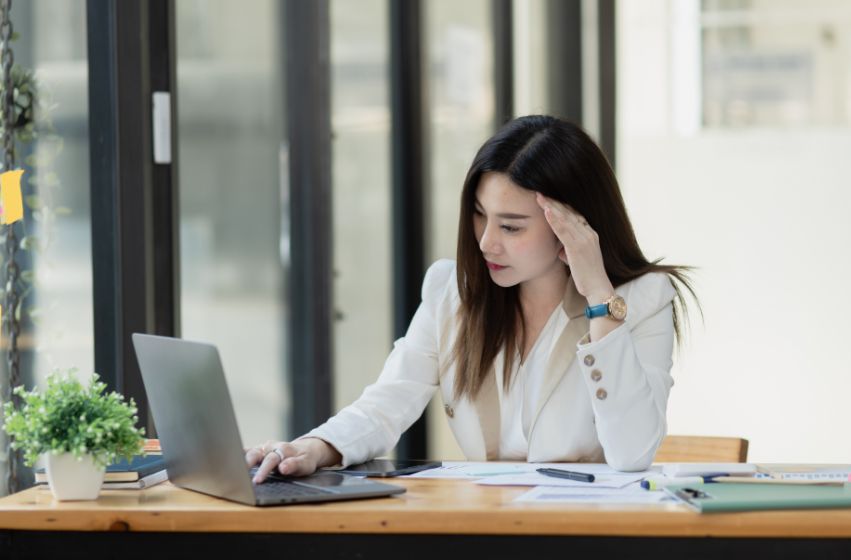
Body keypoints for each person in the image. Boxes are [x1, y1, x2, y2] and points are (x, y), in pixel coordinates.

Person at [247, 115, 697, 482]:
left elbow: (633, 452)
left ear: (573, 224)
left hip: (587, 537)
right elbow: (387, 403)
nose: (486, 243)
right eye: (480, 217)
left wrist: (599, 295)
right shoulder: (451, 292)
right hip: (485, 527)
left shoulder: (640, 298)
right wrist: (316, 447)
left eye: (512, 226)